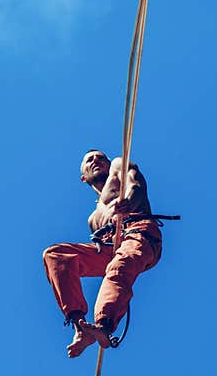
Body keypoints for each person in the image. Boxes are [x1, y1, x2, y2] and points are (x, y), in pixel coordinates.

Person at [42, 149, 163, 358]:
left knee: (119, 266)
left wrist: (128, 202)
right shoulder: (93, 219)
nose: (96, 161)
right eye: (90, 160)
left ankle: (104, 325)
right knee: (55, 255)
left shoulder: (118, 165)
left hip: (139, 232)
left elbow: (136, 185)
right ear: (83, 177)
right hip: (111, 248)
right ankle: (80, 326)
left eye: (100, 158)